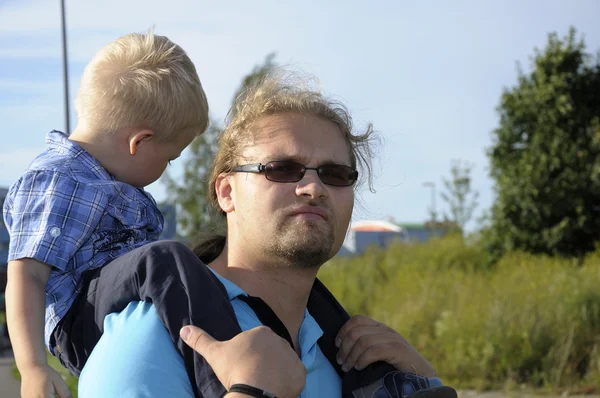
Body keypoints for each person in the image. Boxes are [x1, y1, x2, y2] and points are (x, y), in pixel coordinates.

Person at [76, 69, 457, 398]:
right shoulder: (150, 338)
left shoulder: (354, 357)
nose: (313, 188)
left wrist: (421, 383)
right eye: (282, 168)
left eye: (335, 174)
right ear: (227, 192)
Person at [3, 30, 209, 398]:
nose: (167, 169)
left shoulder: (110, 181)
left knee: (215, 265)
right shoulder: (57, 179)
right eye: (169, 158)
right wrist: (33, 366)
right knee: (164, 259)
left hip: (122, 304)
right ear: (139, 142)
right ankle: (223, 376)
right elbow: (26, 276)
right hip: (81, 324)